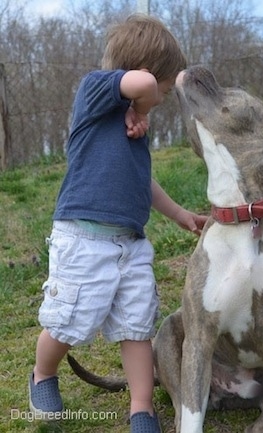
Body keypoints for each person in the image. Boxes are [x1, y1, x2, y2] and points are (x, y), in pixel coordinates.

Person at [28, 14, 207, 433]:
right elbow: (142, 86)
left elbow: (141, 181)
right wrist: (141, 104)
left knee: (136, 324)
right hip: (83, 239)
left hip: (131, 244)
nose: (160, 100)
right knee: (69, 319)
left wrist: (180, 214)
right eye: (164, 89)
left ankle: (141, 407)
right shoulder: (93, 92)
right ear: (145, 71)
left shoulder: (135, 129)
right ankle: (42, 373)